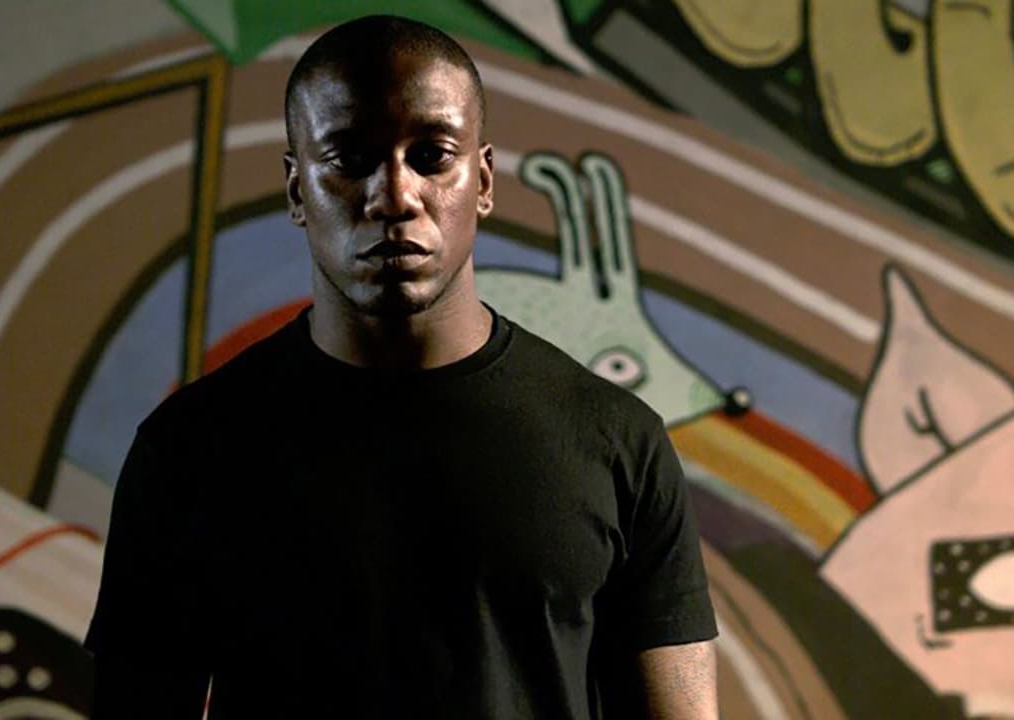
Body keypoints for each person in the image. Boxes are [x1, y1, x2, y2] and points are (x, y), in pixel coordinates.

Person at [86, 14, 718, 719]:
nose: (394, 195)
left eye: (431, 156)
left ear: (482, 180)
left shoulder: (618, 444)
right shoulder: (188, 451)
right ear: (297, 191)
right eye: (350, 159)